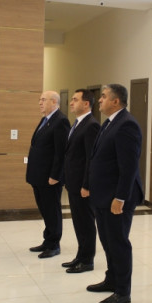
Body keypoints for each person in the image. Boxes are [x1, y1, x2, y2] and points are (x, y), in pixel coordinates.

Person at [87, 84, 143, 303]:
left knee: (118, 243)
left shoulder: (127, 125)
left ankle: (122, 291)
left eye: (103, 96)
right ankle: (111, 279)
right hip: (103, 195)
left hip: (117, 198)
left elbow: (129, 167)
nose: (99, 100)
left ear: (116, 101)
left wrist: (120, 198)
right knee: (107, 241)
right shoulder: (109, 123)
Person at [26, 91, 70, 258]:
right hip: (39, 176)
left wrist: (56, 175)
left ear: (54, 102)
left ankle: (54, 244)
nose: (40, 103)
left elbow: (61, 152)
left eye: (43, 100)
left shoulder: (61, 121)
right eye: (40, 100)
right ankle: (47, 240)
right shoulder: (46, 119)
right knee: (45, 209)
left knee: (52, 210)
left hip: (50, 177)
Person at [62, 89, 100, 273]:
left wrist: (87, 185)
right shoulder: (77, 123)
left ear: (86, 104)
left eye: (75, 100)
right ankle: (80, 255)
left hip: (82, 185)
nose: (71, 103)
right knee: (78, 222)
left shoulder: (91, 125)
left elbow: (91, 159)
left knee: (85, 222)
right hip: (73, 183)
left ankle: (87, 260)